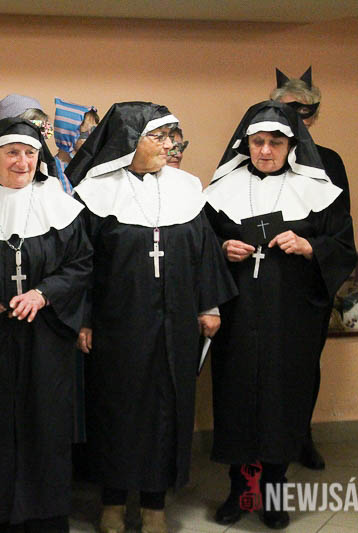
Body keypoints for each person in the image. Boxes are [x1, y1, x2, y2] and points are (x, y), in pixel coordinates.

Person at [67, 102, 237, 533]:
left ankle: (155, 504)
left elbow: (204, 251)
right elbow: (80, 263)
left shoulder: (187, 188)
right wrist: (84, 318)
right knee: (115, 411)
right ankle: (112, 501)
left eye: (171, 137)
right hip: (115, 325)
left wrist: (209, 306)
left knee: (166, 411)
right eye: (158, 137)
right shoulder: (94, 193)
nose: (169, 146)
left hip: (174, 324)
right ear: (129, 142)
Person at [204, 101, 356, 529]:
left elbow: (343, 247)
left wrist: (310, 247)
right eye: (258, 142)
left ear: (292, 145)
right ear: (246, 144)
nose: (266, 150)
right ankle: (239, 490)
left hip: (290, 319)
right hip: (237, 316)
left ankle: (273, 492)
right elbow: (199, 244)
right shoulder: (221, 190)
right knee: (236, 398)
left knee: (281, 400)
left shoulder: (318, 190)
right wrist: (222, 248)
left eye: (275, 142)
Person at [0, 118, 92, 532]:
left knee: (46, 424)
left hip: (46, 337)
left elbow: (81, 265)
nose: (22, 162)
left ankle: (47, 516)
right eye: (12, 152)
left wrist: (44, 294)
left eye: (30, 153)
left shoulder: (62, 206)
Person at [271, 66, 351, 470]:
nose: (296, 118)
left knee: (303, 365)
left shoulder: (330, 163)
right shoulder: (261, 154)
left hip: (308, 282)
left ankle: (301, 434)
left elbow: (340, 229)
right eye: (287, 110)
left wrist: (312, 249)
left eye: (305, 111)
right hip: (264, 280)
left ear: (314, 116)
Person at [52, 98, 97, 194]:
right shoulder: (52, 172)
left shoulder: (91, 167)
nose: (92, 138)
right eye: (86, 133)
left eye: (95, 131)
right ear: (70, 135)